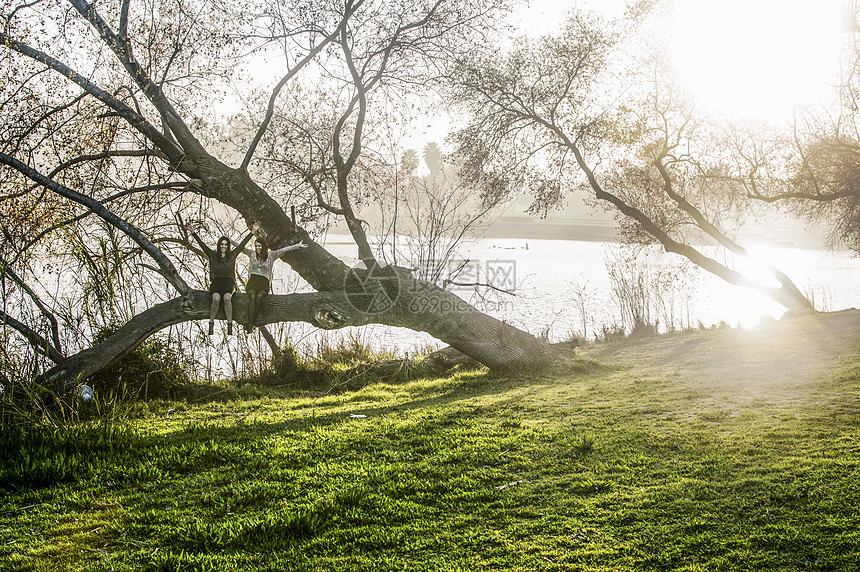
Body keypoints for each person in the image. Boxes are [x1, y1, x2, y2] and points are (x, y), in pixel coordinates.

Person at [185, 222, 253, 335]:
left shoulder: (232, 255)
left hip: (228, 283)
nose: (224, 246)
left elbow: (241, 245)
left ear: (228, 246)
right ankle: (211, 324)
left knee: (227, 298)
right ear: (219, 245)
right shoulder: (212, 255)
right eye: (222, 244)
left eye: (226, 245)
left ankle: (230, 325)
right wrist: (192, 231)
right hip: (216, 283)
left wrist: (253, 232)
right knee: (216, 299)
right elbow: (202, 245)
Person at [244, 236, 307, 332]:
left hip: (263, 282)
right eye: (256, 246)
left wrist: (297, 245)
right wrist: (229, 241)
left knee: (259, 297)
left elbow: (284, 250)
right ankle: (250, 323)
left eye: (259, 246)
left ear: (263, 246)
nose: (257, 248)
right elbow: (240, 248)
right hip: (253, 281)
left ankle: (251, 323)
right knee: (252, 296)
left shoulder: (271, 255)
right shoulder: (252, 254)